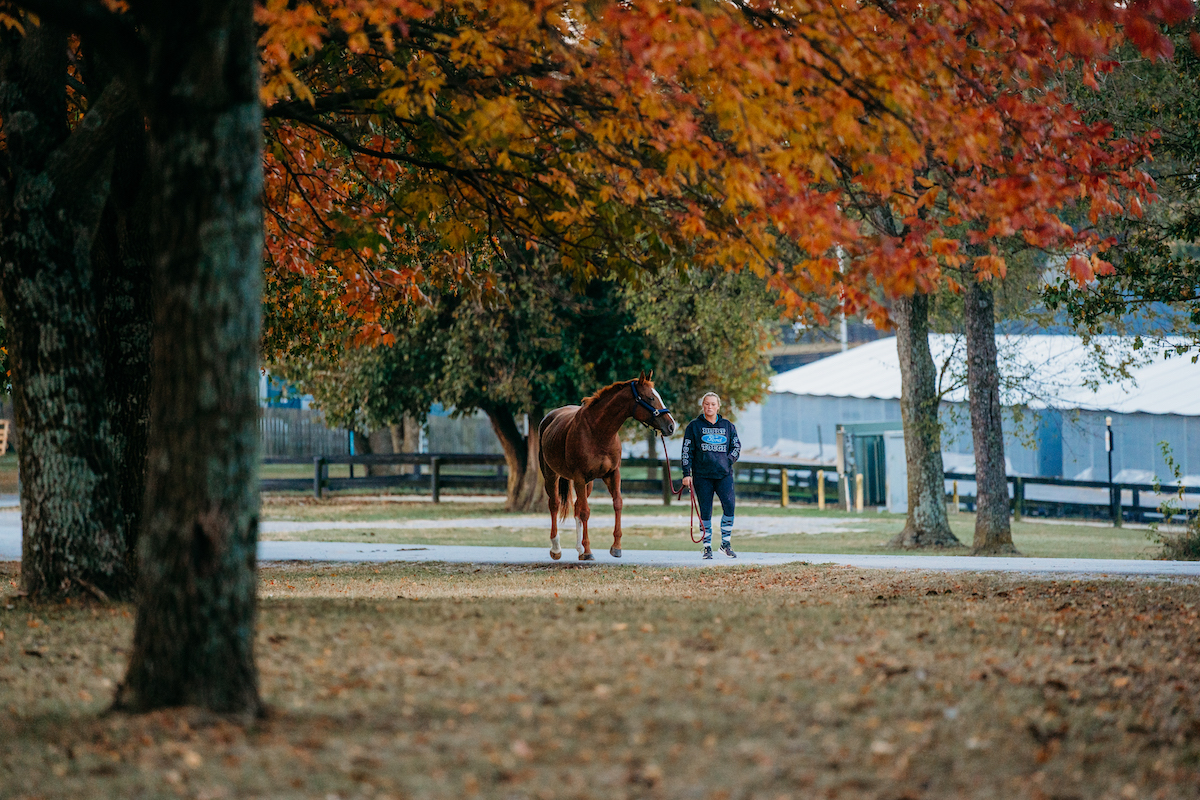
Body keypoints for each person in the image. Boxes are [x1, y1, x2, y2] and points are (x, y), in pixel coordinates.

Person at [681, 392, 741, 559]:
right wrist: (687, 473)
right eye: (707, 404)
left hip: (724, 475)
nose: (710, 407)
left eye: (713, 404)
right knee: (705, 511)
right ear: (703, 405)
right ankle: (707, 546)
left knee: (729, 507)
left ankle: (725, 543)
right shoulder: (694, 427)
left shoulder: (728, 426)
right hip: (702, 476)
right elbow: (687, 451)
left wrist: (727, 461)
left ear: (718, 406)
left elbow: (736, 446)